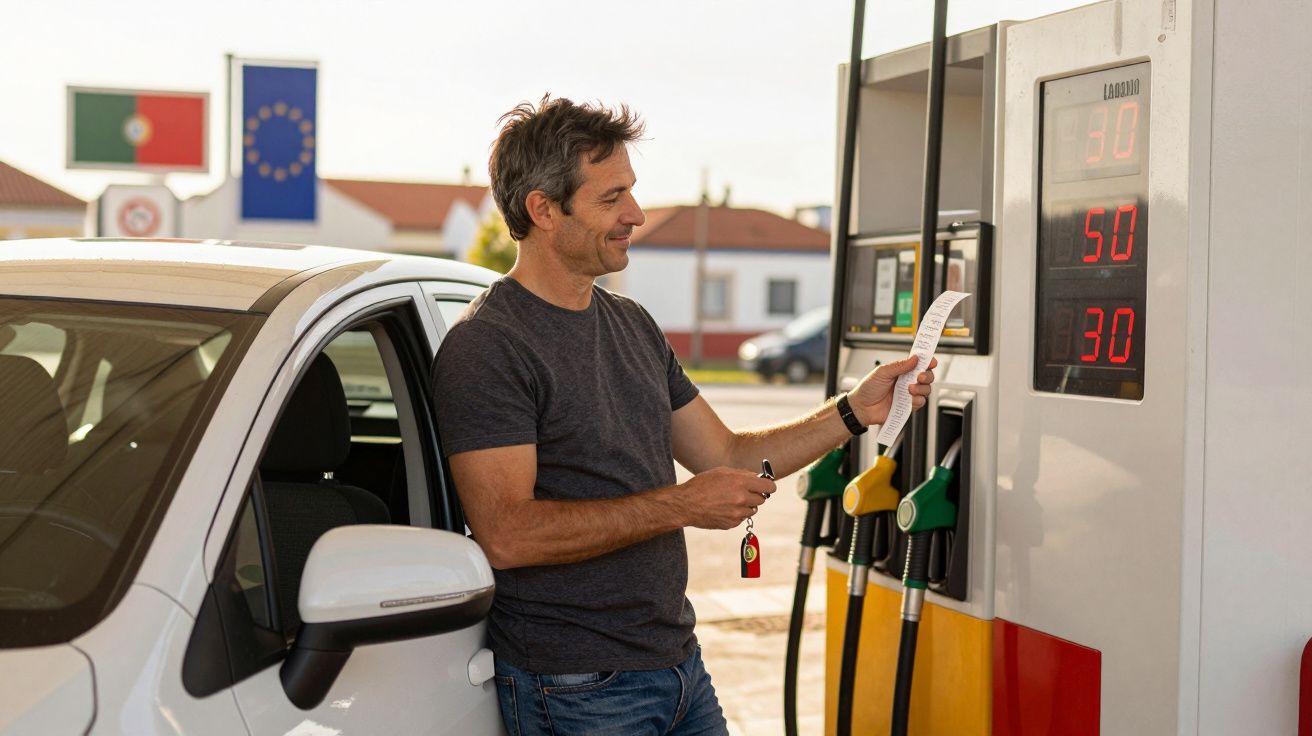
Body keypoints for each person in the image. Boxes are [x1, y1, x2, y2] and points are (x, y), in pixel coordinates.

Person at [431, 95, 935, 736]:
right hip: (577, 686)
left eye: (632, 193)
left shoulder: (631, 324)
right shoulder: (491, 347)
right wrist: (682, 505)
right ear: (543, 209)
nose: (635, 215)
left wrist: (854, 412)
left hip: (677, 666)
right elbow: (509, 534)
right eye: (611, 198)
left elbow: (724, 455)